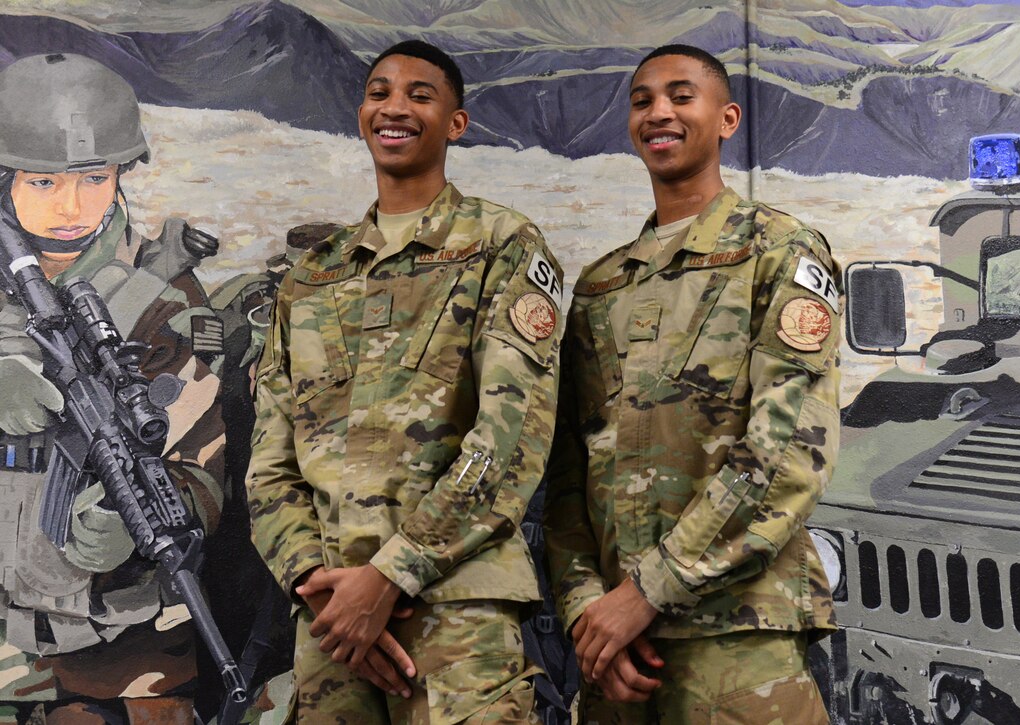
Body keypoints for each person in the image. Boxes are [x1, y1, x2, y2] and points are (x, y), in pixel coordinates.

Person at [246, 40, 562, 723]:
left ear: (456, 123)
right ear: (362, 114)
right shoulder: (312, 277)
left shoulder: (502, 244)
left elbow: (511, 441)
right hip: (330, 624)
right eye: (380, 92)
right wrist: (317, 583)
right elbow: (270, 463)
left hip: (457, 614)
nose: (395, 107)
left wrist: (390, 576)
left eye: (420, 95)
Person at [543, 44, 841, 724]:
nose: (659, 112)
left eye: (681, 96)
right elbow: (565, 473)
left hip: (738, 644)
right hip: (618, 657)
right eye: (643, 100)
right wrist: (589, 609)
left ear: (728, 117)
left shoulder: (781, 252)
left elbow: (787, 452)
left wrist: (648, 588)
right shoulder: (602, 285)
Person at [0, 53, 227, 723]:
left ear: (121, 174)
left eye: (94, 178)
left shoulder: (161, 301)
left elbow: (204, 467)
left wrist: (130, 526)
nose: (71, 206)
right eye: (42, 181)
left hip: (126, 658)